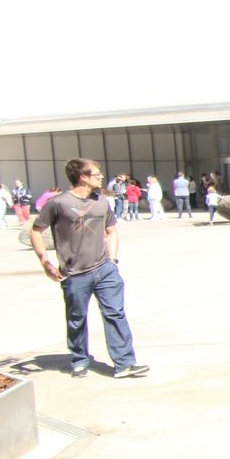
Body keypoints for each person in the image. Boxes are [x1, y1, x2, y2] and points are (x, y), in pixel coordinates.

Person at [29, 158, 148, 380]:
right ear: (82, 177)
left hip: (105, 269)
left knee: (115, 313)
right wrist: (45, 262)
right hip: (74, 273)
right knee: (76, 319)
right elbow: (36, 231)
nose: (101, 177)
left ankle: (124, 363)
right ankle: (79, 360)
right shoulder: (58, 203)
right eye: (96, 174)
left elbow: (112, 230)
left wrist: (112, 260)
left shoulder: (101, 202)